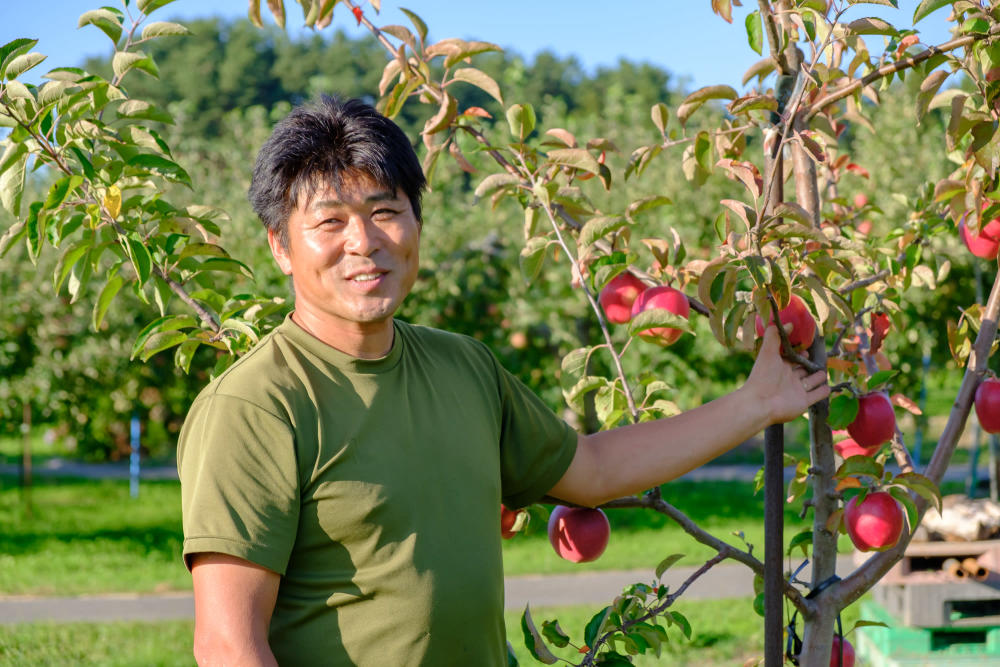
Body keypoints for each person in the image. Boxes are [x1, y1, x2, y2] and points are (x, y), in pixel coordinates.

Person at [177, 95, 829, 666]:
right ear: (280, 245)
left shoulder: (464, 368)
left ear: (416, 223)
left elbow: (594, 469)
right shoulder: (255, 405)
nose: (364, 242)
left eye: (384, 211)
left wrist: (757, 402)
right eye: (329, 221)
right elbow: (229, 645)